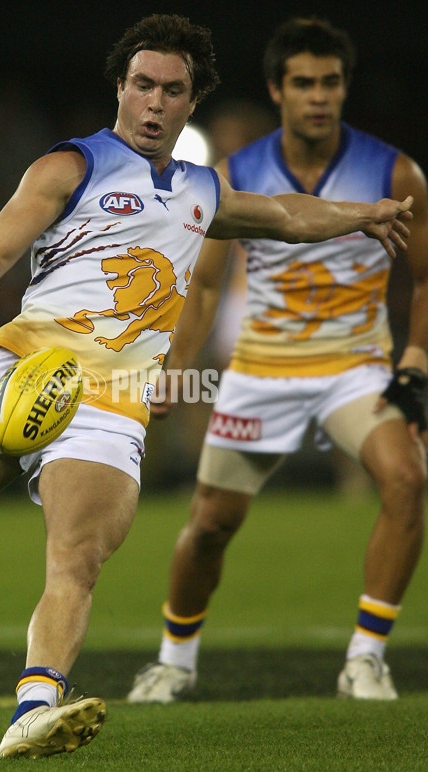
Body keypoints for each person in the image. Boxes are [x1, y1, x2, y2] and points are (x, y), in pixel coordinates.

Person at [0, 14, 413, 760]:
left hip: (112, 404)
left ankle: (35, 703)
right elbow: (1, 242)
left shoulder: (201, 190)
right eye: (144, 85)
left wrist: (364, 214)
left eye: (173, 90)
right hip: (22, 376)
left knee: (78, 557)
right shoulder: (70, 166)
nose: (155, 102)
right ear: (121, 88)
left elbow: (284, 216)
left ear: (191, 102)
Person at [127, 17, 428, 706]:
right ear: (278, 89)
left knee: (407, 481)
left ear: (345, 88)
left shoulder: (396, 170)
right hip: (261, 372)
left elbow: (427, 278)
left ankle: (366, 658)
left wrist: (413, 360)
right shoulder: (236, 173)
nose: (317, 96)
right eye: (303, 83)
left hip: (356, 369)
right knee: (208, 528)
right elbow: (203, 286)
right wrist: (179, 361)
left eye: (330, 82)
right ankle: (175, 661)